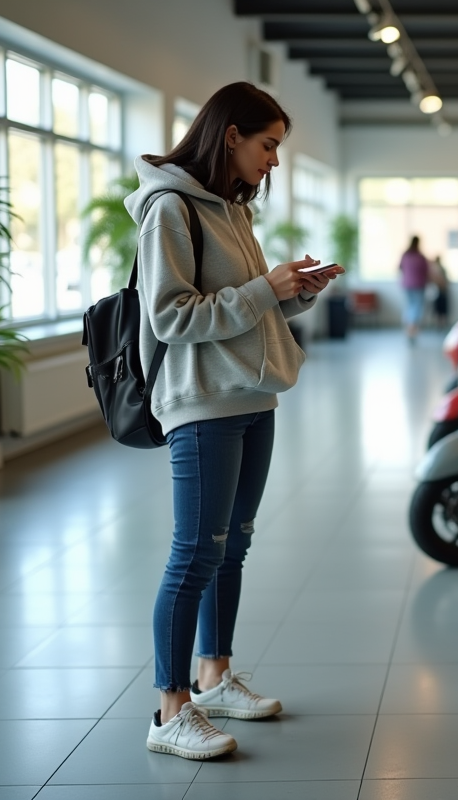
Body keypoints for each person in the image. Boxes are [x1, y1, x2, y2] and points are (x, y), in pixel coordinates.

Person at [125, 81, 343, 761]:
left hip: (252, 399)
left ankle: (214, 675)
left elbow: (246, 310)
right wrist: (263, 289)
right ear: (231, 136)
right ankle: (169, 710)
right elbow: (172, 317)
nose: (274, 160)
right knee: (194, 552)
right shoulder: (169, 209)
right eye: (268, 144)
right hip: (202, 404)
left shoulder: (232, 209)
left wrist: (292, 294)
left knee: (231, 545)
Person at [399, 235, 429, 341]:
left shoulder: (405, 255)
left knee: (410, 306)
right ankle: (412, 329)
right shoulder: (420, 257)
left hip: (407, 284)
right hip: (418, 285)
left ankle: (409, 329)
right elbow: (427, 271)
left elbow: (400, 268)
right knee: (416, 307)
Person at [429, 254, 450, 328]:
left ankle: (441, 324)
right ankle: (440, 324)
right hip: (439, 291)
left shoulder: (438, 269)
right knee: (439, 309)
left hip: (441, 291)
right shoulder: (435, 269)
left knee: (441, 309)